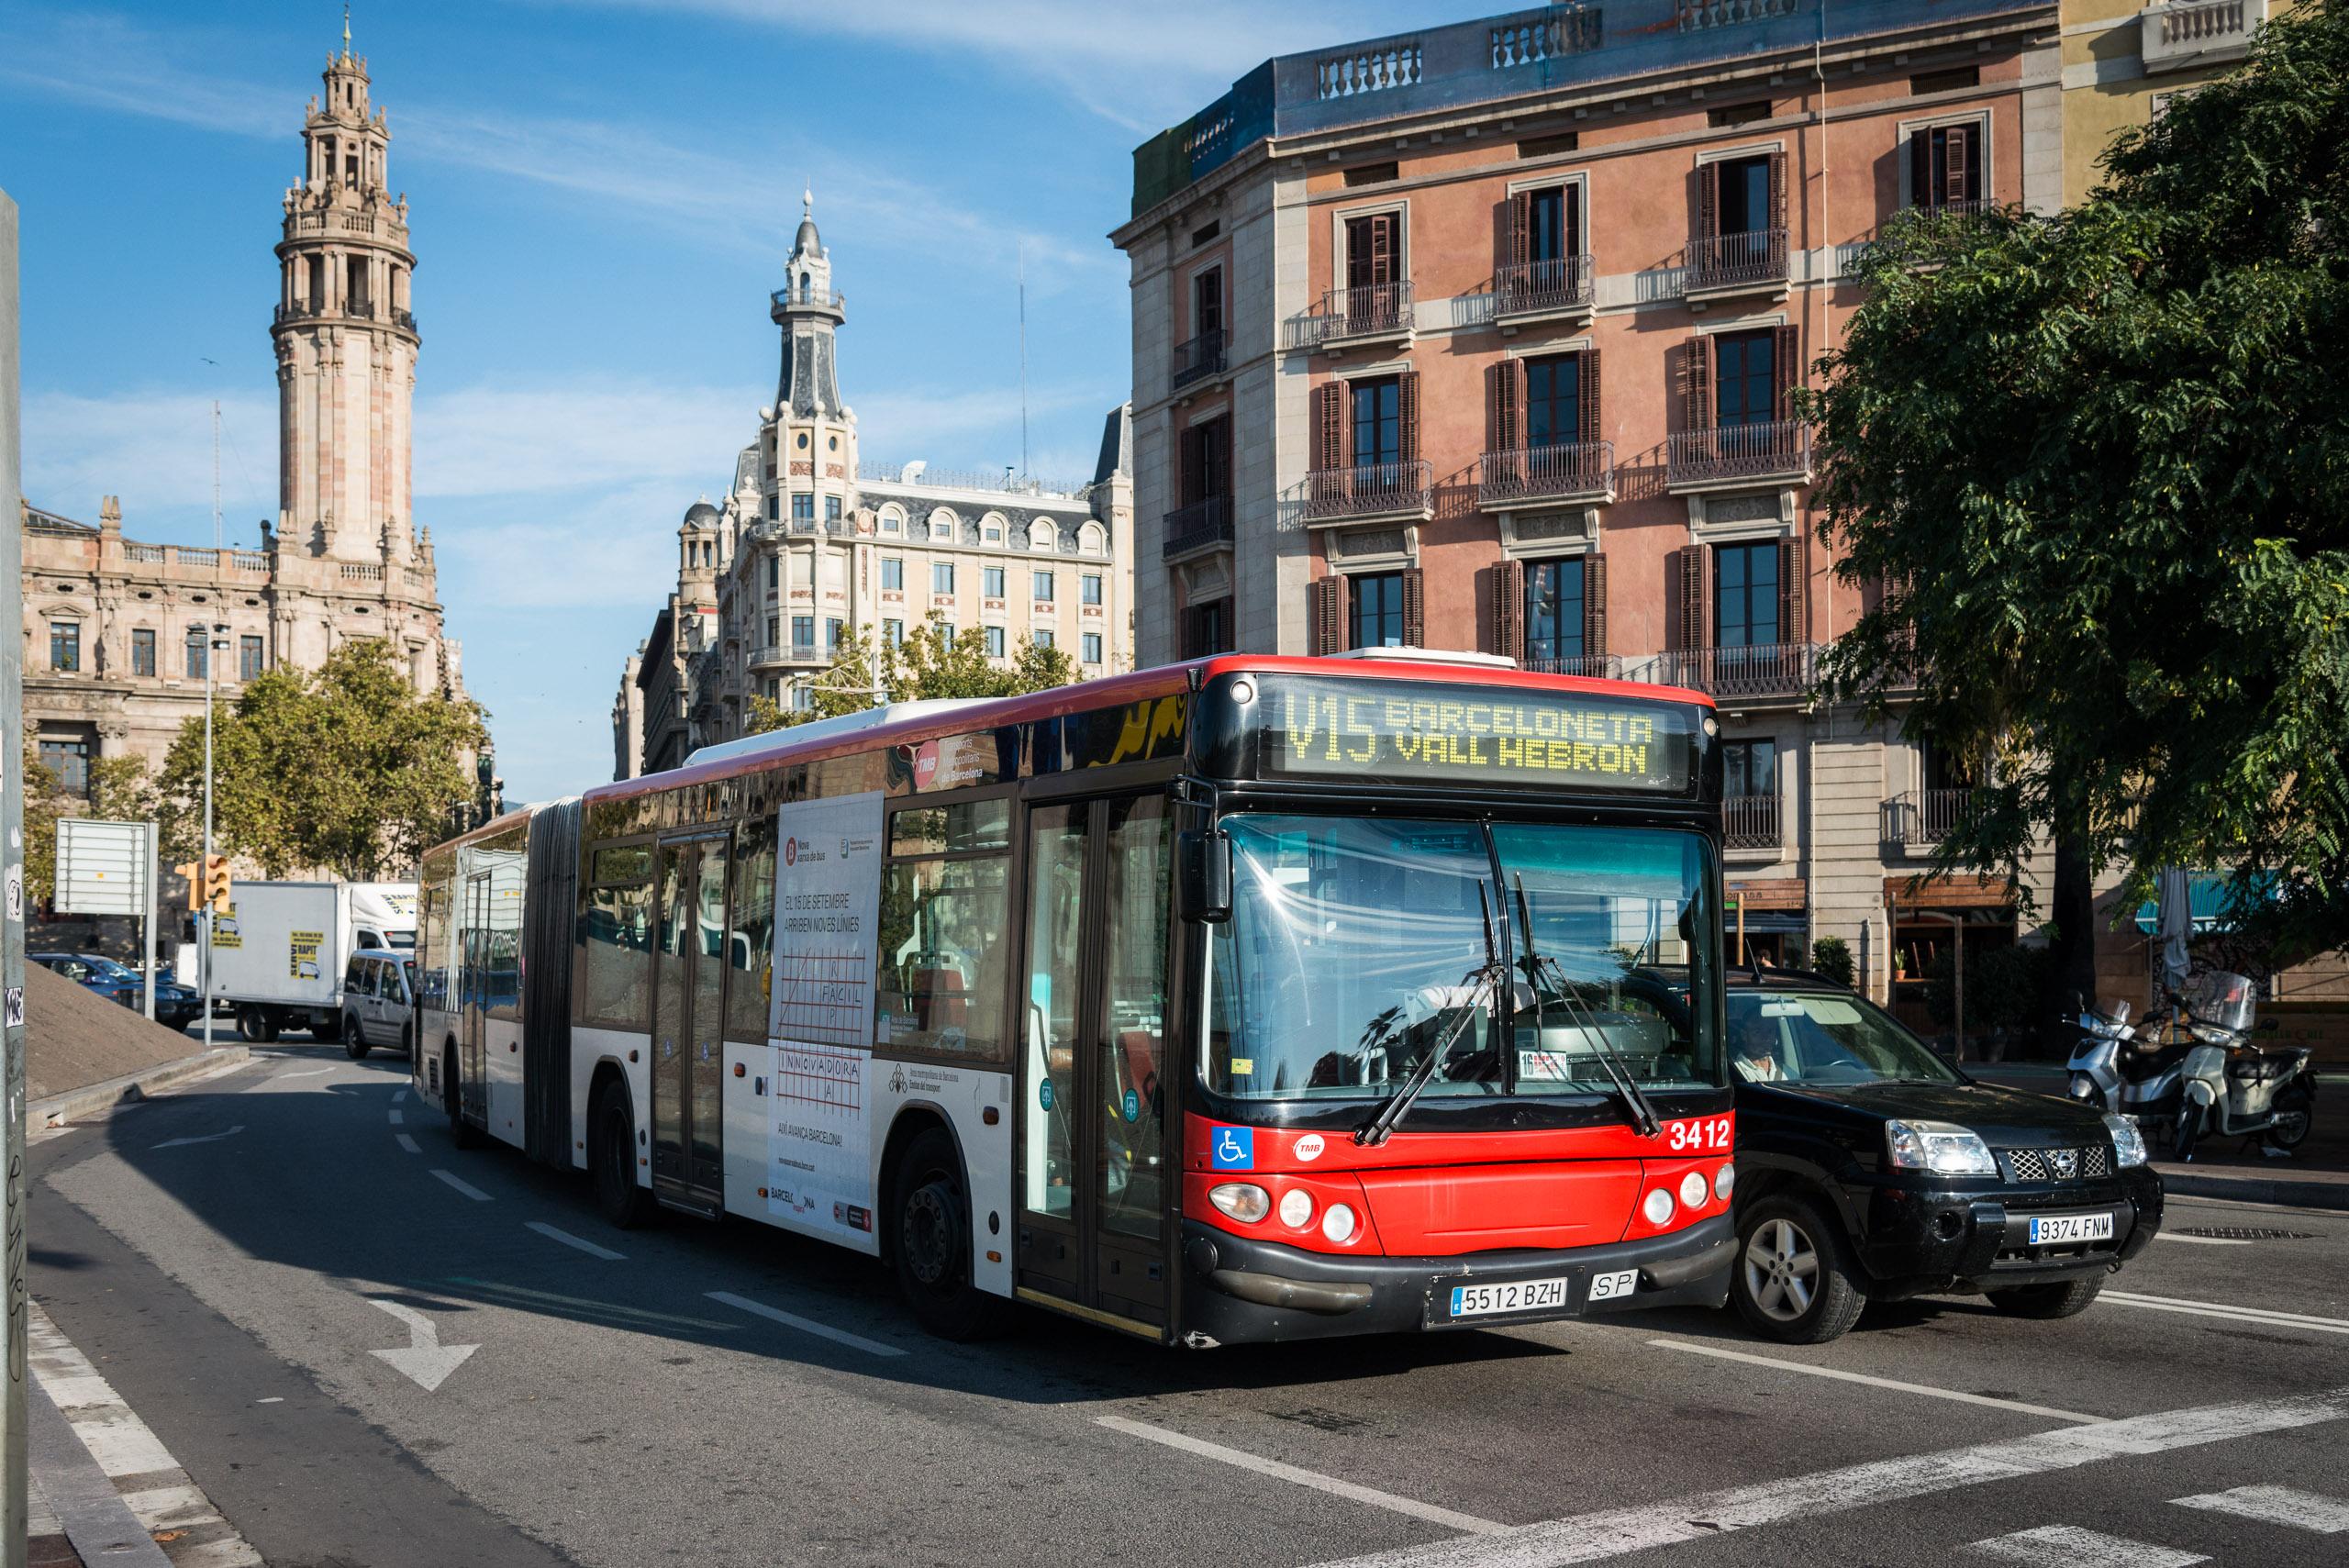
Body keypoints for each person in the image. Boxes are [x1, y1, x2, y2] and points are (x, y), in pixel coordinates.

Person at [1731, 1014, 1786, 1083]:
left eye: (1770, 1031)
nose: (1766, 1038)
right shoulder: (1733, 1072)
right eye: (1757, 1032)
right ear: (1744, 1035)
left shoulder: (1788, 1073)